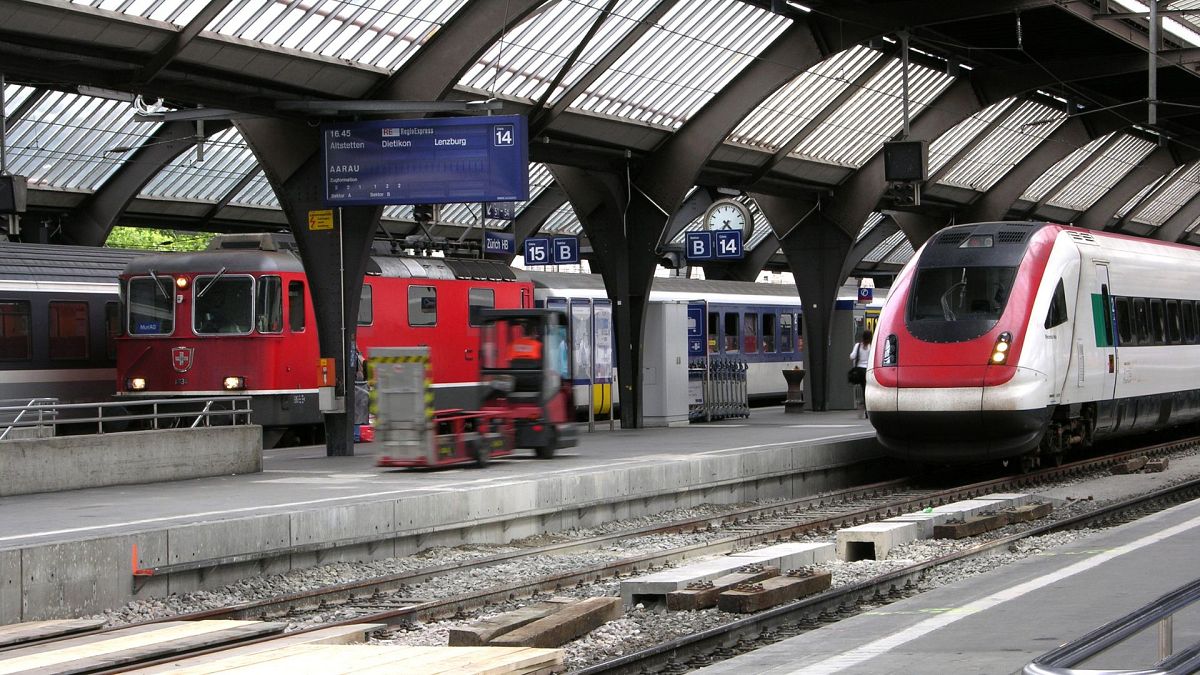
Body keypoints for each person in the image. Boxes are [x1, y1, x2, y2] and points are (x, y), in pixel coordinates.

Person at [849, 329, 872, 418]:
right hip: (868, 371)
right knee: (866, 389)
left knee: (863, 389)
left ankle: (862, 404)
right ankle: (865, 407)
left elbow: (852, 356)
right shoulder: (871, 347)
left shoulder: (858, 346)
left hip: (859, 371)